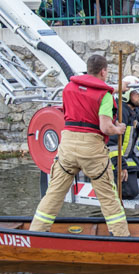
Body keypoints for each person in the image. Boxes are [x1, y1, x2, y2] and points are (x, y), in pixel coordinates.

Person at [29, 55, 130, 237]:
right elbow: (105, 127)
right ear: (104, 71)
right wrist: (119, 129)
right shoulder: (105, 96)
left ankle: (35, 233)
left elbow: (85, 97)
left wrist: (119, 88)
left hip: (67, 145)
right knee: (108, 198)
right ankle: (122, 236)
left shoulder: (69, 88)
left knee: (54, 194)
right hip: (91, 149)